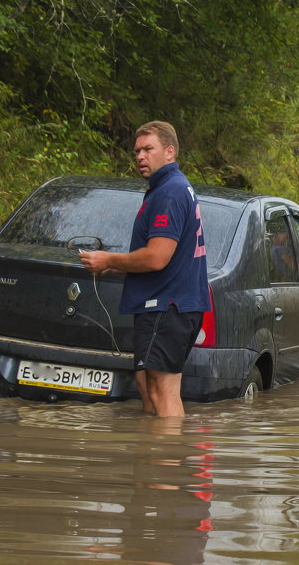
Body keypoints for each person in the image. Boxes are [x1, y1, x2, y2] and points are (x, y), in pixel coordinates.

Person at [80, 121, 210, 417]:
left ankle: (166, 457)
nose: (140, 156)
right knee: (146, 385)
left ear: (169, 152)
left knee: (161, 390)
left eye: (148, 149)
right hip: (167, 303)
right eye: (136, 150)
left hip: (167, 305)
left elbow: (156, 258)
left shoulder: (170, 192)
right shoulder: (166, 189)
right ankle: (155, 456)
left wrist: (109, 260)